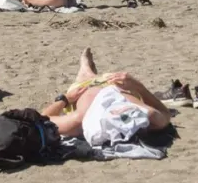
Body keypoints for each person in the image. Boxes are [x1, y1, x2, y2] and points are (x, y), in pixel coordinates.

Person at [40, 48, 172, 141]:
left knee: (85, 77)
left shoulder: (80, 121)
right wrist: (137, 86)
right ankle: (86, 70)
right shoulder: (144, 116)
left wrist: (65, 99)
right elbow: (165, 113)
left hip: (85, 89)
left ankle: (85, 69)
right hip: (115, 85)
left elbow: (41, 119)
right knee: (92, 77)